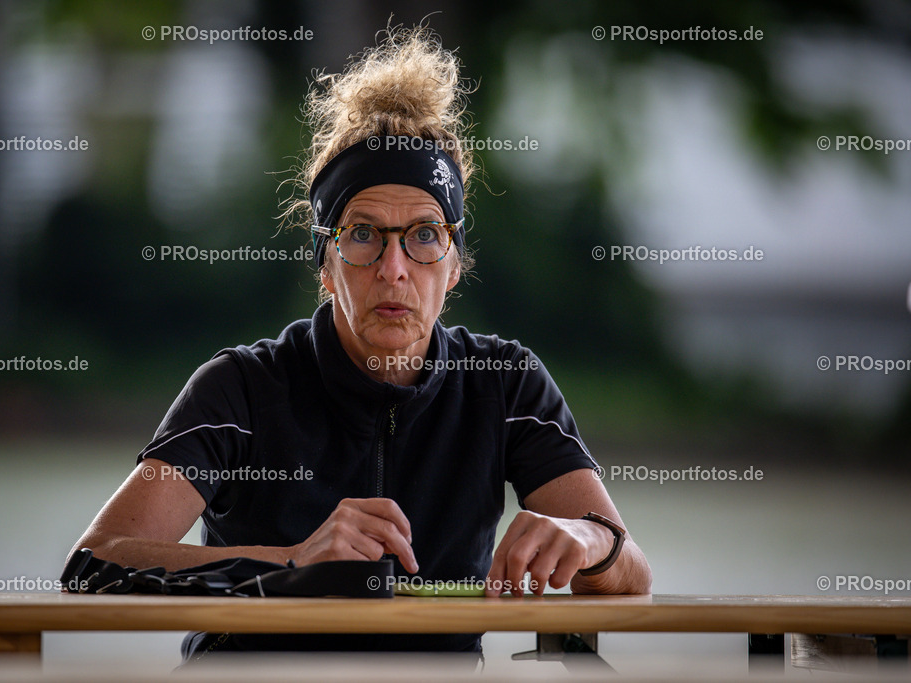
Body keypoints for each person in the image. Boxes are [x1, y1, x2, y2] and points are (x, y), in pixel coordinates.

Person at [67, 25, 651, 659]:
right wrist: (296, 561)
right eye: (363, 234)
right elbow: (93, 565)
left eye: (425, 235)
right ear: (325, 264)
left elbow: (632, 577)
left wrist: (592, 542)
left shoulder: (505, 384)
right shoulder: (242, 389)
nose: (393, 269)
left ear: (454, 265)